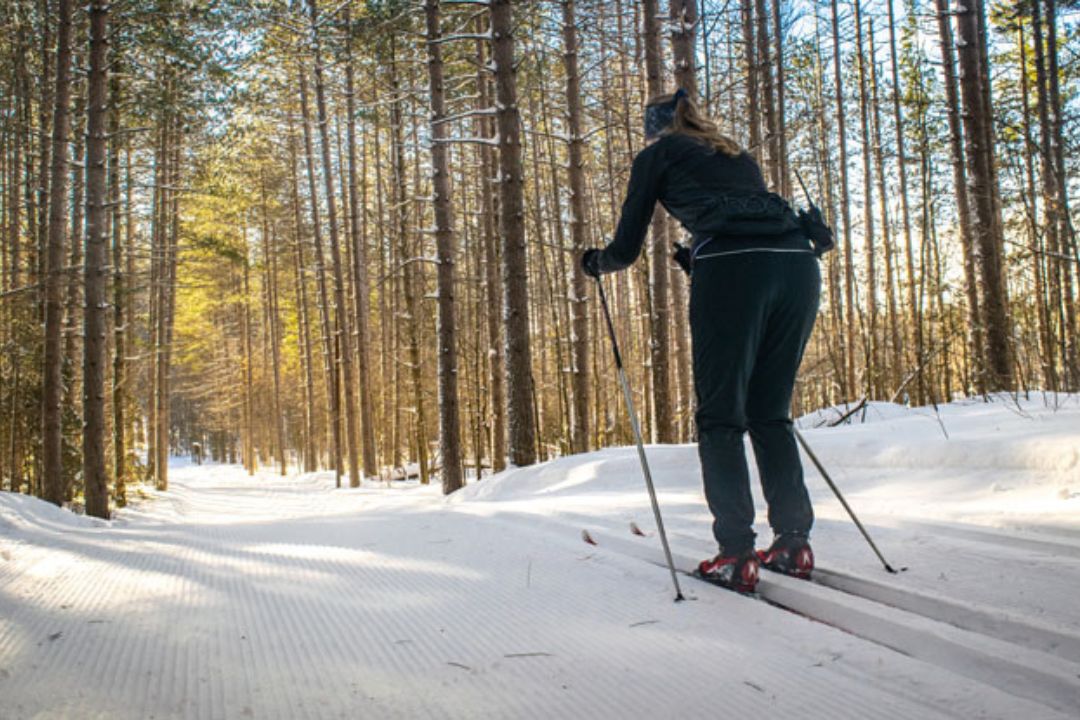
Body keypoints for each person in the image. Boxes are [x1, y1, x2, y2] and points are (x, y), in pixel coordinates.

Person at [581, 89, 820, 594]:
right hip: (798, 262)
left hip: (733, 267)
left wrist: (595, 263)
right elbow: (745, 217)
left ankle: (736, 554)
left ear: (654, 129)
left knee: (720, 416)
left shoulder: (657, 156)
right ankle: (793, 544)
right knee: (770, 412)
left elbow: (625, 249)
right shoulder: (735, 152)